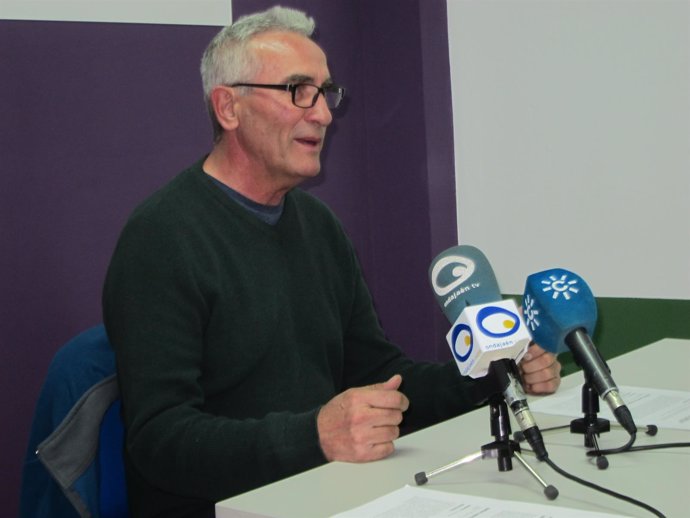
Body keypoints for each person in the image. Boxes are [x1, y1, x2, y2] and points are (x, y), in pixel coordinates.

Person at [102, 6, 561, 517]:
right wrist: (315, 435)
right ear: (228, 107)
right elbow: (160, 442)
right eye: (298, 90)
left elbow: (377, 372)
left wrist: (488, 375)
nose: (322, 114)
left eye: (325, 93)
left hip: (329, 492)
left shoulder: (316, 224)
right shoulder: (161, 238)